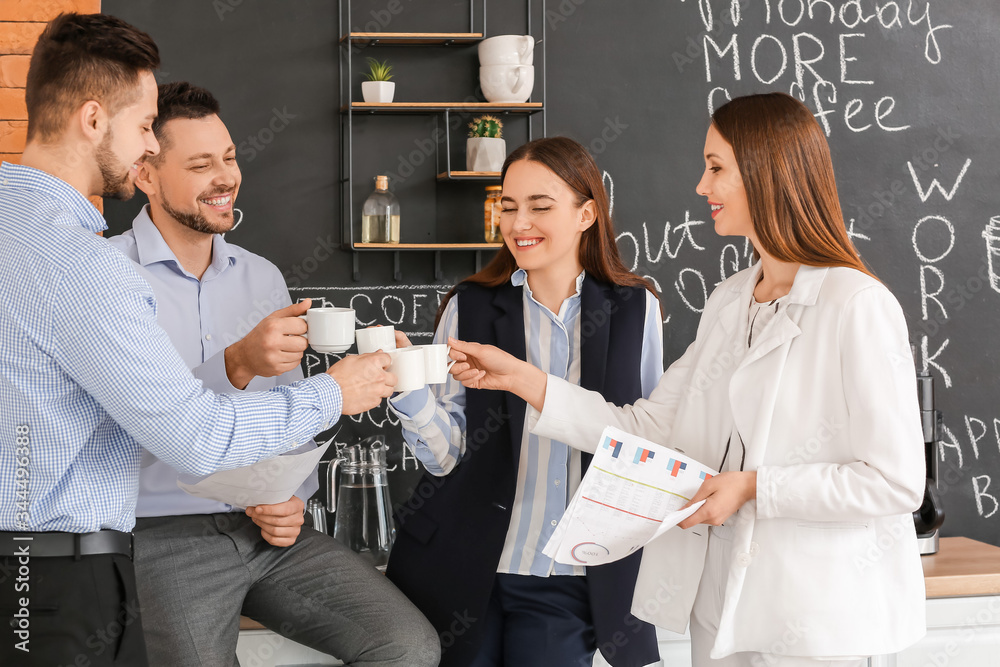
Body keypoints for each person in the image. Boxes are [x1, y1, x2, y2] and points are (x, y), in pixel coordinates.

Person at [447, 93, 927, 666]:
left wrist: (754, 487)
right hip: (721, 610)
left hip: (819, 618)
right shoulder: (729, 301)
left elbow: (894, 483)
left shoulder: (857, 304)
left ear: (767, 172)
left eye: (716, 168)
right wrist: (526, 380)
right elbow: (645, 429)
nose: (701, 186)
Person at [0, 14, 393, 666]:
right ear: (94, 120)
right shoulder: (88, 266)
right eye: (143, 126)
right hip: (60, 579)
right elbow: (194, 437)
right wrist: (334, 392)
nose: (146, 146)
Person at [106, 81, 439, 667]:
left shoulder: (261, 277)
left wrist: (290, 497)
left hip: (263, 530)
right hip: (156, 534)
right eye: (201, 164)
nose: (226, 178)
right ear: (146, 175)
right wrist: (234, 364)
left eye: (230, 158)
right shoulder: (108, 276)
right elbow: (127, 431)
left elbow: (289, 421)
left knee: (407, 647)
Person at [385, 137, 663, 667]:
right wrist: (410, 391)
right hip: (460, 566)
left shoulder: (636, 309)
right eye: (508, 207)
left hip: (571, 577)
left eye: (540, 206)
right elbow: (445, 457)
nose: (519, 224)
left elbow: (647, 440)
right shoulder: (470, 306)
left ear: (586, 214)